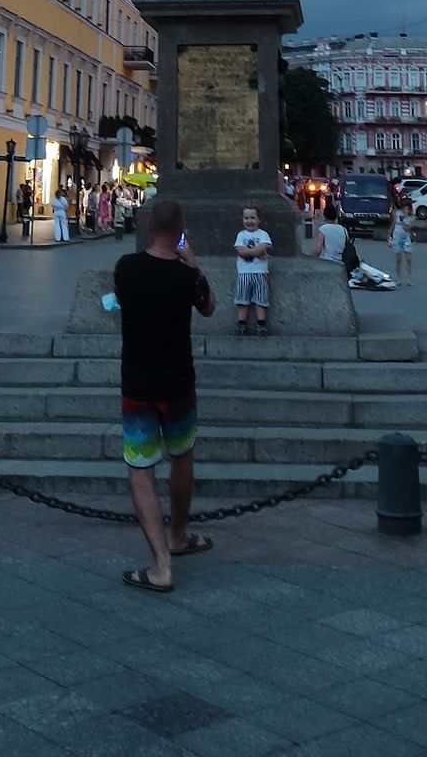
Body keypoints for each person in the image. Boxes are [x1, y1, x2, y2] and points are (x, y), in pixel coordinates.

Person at [112, 197, 216, 591]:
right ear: (181, 229)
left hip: (138, 384)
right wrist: (194, 266)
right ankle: (180, 534)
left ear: (149, 225)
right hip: (178, 383)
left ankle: (161, 565)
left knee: (141, 472)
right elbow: (208, 307)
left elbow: (121, 298)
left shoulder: (126, 268)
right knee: (183, 455)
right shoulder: (187, 277)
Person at [232, 204, 274, 335]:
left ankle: (261, 324)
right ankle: (241, 323)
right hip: (244, 273)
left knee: (261, 301)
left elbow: (262, 248)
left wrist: (249, 251)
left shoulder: (263, 234)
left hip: (260, 273)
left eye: (252, 217)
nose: (249, 221)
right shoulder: (240, 235)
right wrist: (255, 252)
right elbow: (240, 251)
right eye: (246, 218)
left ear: (259, 219)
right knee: (242, 301)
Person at [308, 201, 348, 266]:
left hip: (327, 262)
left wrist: (310, 258)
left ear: (325, 216)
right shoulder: (343, 229)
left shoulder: (323, 229)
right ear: (335, 216)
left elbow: (318, 249)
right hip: (341, 263)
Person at [388, 200, 414, 287]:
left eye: (408, 208)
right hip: (397, 237)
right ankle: (398, 279)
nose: (406, 210)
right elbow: (393, 223)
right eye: (404, 208)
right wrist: (389, 235)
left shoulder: (411, 217)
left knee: (408, 260)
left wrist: (404, 220)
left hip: (406, 238)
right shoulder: (397, 213)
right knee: (398, 259)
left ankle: (409, 279)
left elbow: (407, 229)